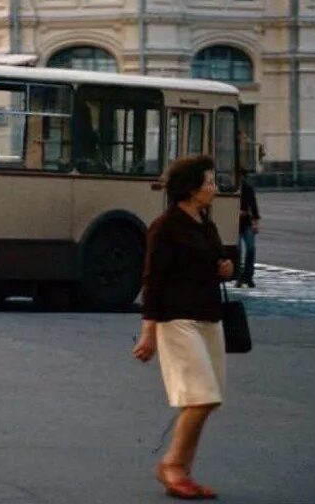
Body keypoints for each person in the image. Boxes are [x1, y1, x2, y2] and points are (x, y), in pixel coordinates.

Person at [134, 155, 235, 500]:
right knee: (201, 396)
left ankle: (182, 470)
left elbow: (217, 260)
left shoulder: (204, 222)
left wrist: (225, 267)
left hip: (209, 317)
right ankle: (173, 465)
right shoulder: (165, 226)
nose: (215, 188)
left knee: (207, 400)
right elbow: (153, 281)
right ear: (191, 189)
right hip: (177, 320)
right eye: (209, 182)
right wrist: (148, 333)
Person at [235, 174, 261, 288]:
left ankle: (248, 276)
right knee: (239, 250)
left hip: (245, 222)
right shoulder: (242, 187)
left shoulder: (247, 188)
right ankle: (241, 276)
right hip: (237, 223)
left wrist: (255, 221)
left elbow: (253, 204)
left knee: (250, 248)